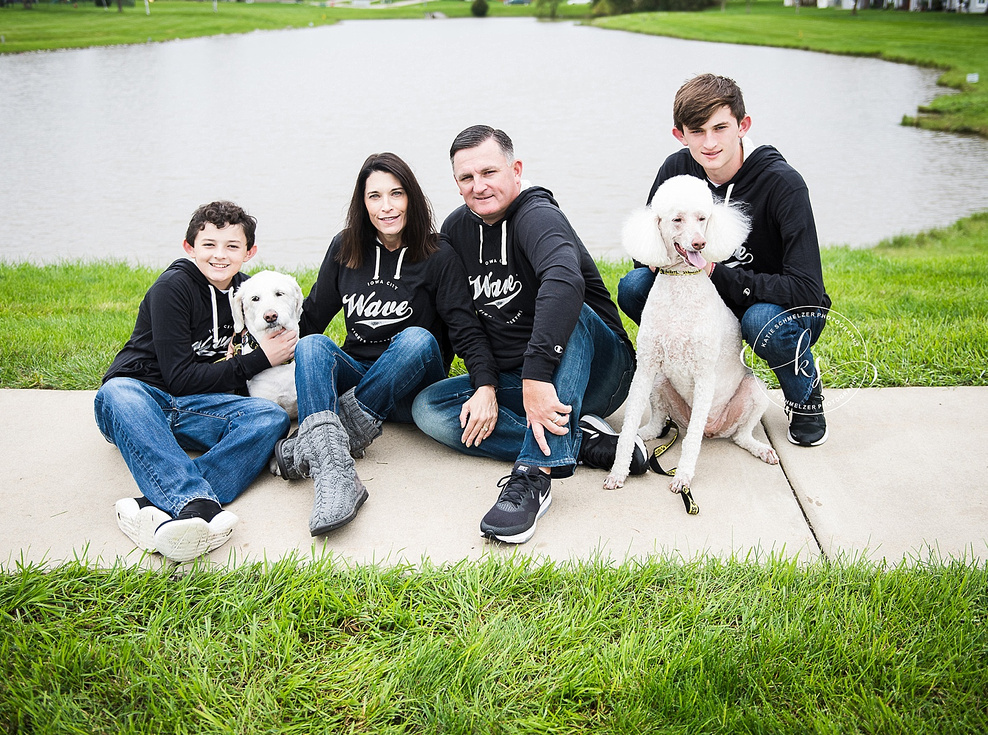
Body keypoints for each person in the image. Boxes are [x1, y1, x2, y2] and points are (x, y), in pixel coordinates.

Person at [412, 125, 642, 545]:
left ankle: (534, 473)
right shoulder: (457, 230)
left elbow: (564, 280)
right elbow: (462, 318)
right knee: (429, 408)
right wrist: (484, 384)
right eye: (466, 178)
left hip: (598, 372)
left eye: (489, 172)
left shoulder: (538, 215)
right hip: (519, 382)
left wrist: (537, 376)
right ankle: (581, 440)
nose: (478, 186)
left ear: (516, 170)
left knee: (573, 309)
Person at [270, 152, 498, 537]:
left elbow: (465, 328)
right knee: (312, 345)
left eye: (396, 194)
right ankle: (335, 473)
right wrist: (258, 357)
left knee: (416, 338)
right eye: (374, 196)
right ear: (362, 203)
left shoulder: (438, 254)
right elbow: (311, 319)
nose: (387, 206)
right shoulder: (345, 248)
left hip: (412, 388)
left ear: (412, 197)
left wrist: (486, 386)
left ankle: (312, 443)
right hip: (359, 379)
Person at [616, 73, 831, 447]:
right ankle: (690, 375)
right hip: (707, 300)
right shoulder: (676, 170)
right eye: (697, 131)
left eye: (720, 128)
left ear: (742, 126)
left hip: (778, 306)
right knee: (635, 288)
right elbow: (650, 249)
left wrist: (720, 274)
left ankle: (806, 396)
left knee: (761, 321)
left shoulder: (783, 184)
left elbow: (807, 289)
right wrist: (658, 262)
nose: (709, 142)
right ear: (680, 135)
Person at [95, 201, 293, 563]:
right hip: (140, 400)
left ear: (249, 253)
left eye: (232, 246)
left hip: (195, 409)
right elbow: (179, 378)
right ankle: (197, 505)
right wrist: (261, 359)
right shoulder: (173, 289)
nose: (220, 255)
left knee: (269, 417)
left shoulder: (249, 293)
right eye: (209, 245)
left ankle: (155, 505)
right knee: (116, 389)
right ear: (189, 248)